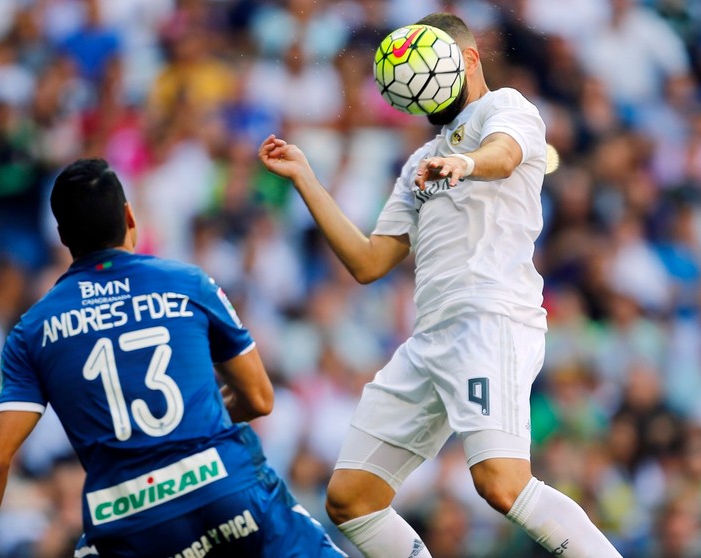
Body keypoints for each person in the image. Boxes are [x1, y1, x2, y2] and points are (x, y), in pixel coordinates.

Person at [258, 12, 621, 558]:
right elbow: (368, 262)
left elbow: (504, 156)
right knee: (352, 499)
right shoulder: (420, 163)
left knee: (501, 483)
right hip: (429, 338)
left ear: (468, 59)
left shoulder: (507, 109)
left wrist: (466, 164)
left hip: (489, 319)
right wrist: (306, 177)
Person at [0, 159, 345, 558]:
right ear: (130, 217)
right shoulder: (189, 284)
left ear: (63, 236)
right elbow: (258, 398)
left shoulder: (33, 330)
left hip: (134, 523)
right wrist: (190, 426)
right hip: (228, 486)